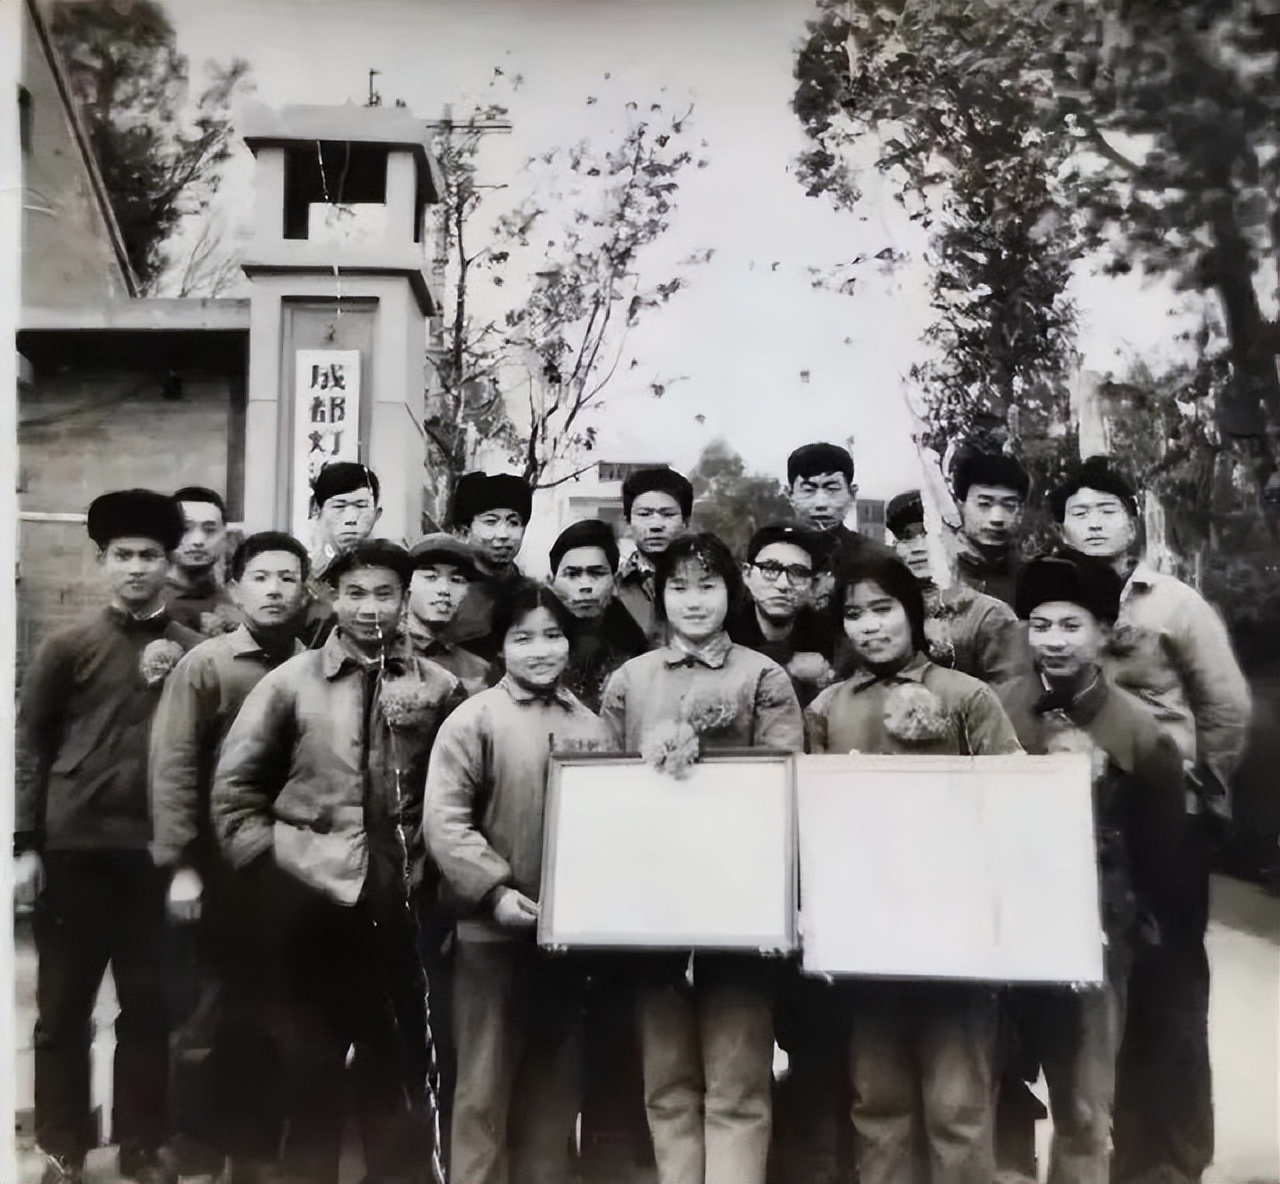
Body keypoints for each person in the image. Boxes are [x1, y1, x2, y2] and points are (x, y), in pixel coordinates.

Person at [212, 540, 466, 1184]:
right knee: (311, 1055)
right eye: (355, 593)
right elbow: (235, 791)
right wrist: (272, 868)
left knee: (397, 1057)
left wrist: (438, 879)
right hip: (311, 897)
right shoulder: (289, 684)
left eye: (385, 593)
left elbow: (466, 791)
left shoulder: (440, 688)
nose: (370, 607)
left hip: (402, 899)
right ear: (330, 596)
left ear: (405, 600)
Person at [1048, 456, 1253, 1184]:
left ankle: (1168, 1159)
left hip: (1163, 812)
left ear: (1131, 522)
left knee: (1169, 984)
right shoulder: (1053, 604)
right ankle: (1091, 1156)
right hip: (1081, 817)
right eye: (1080, 512)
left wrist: (1199, 788)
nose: (1094, 523)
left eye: (1108, 510)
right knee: (1092, 990)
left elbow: (1225, 707)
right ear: (1061, 526)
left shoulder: (1172, 603)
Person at [805, 552, 1022, 1184]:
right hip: (869, 935)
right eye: (853, 614)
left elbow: (1013, 808)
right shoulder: (827, 708)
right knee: (879, 1102)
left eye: (883, 609)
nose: (870, 627)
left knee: (959, 1106)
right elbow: (814, 828)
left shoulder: (966, 697)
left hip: (956, 933)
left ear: (912, 612)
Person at [599, 532, 804, 1184]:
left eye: (707, 586)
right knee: (666, 1082)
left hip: (737, 907)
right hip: (654, 905)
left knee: (738, 1085)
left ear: (730, 593)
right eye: (679, 587)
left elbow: (784, 784)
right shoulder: (630, 680)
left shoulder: (763, 677)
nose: (693, 601)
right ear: (659, 597)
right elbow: (602, 791)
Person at [16, 489, 202, 1184]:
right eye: (122, 555)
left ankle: (143, 1144)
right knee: (63, 1010)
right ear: (101, 562)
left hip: (153, 857)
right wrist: (26, 845)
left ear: (170, 563)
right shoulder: (67, 647)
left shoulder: (193, 651)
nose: (136, 568)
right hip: (74, 853)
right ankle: (62, 1146)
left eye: (150, 555)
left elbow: (205, 759)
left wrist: (189, 860)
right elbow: (30, 745)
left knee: (149, 1009)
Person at [997, 554, 1186, 1184]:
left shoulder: (1138, 731)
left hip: (1098, 943)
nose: (1053, 640)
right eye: (1041, 625)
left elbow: (1161, 856)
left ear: (1103, 631)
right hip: (1001, 937)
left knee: (1083, 1109)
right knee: (997, 1097)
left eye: (1071, 625)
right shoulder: (994, 712)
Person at [425, 580, 608, 1184]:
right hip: (489, 939)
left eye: (552, 636)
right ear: (501, 647)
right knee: (482, 1091)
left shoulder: (592, 726)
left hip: (567, 943)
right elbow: (445, 823)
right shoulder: (474, 720)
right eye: (523, 638)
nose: (540, 650)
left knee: (555, 1092)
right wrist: (496, 892)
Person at [149, 531, 311, 1182]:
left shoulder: (313, 666)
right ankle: (191, 1146)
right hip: (217, 868)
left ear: (307, 590)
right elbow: (174, 766)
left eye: (288, 578)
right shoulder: (208, 665)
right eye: (261, 577)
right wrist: (182, 866)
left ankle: (253, 1150)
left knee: (275, 1010)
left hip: (288, 864)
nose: (275, 590)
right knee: (209, 1013)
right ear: (236, 586)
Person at [885, 489, 1026, 690]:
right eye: (907, 537)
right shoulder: (888, 611)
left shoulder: (989, 616)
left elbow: (1011, 697)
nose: (918, 547)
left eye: (929, 533)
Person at [729, 521, 837, 707]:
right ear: (747, 575)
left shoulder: (831, 637)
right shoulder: (723, 633)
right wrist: (787, 669)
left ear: (812, 583)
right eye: (770, 569)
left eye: (798, 573)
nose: (783, 584)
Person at [548, 518, 648, 712]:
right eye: (572, 574)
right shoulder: (533, 644)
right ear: (553, 582)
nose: (585, 585)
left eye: (596, 573)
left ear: (615, 582)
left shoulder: (637, 655)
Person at [447, 471, 533, 662]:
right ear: (465, 530)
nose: (503, 534)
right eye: (491, 522)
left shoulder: (532, 596)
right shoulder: (448, 592)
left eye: (513, 522)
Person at [300, 461, 383, 647]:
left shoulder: (389, 573)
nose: (351, 519)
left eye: (361, 506)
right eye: (339, 506)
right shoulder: (299, 573)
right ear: (316, 509)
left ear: (377, 514)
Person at [404, 533, 492, 695]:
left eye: (457, 580)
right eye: (431, 577)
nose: (444, 590)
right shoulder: (382, 655)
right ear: (406, 584)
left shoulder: (479, 671)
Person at [615, 466, 694, 643]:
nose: (656, 525)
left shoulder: (710, 582)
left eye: (667, 514)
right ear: (628, 522)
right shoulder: (613, 587)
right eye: (644, 514)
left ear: (686, 522)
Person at [949, 448, 1031, 606]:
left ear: (1021, 511)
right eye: (984, 504)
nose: (997, 519)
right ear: (960, 505)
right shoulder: (938, 569)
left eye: (1009, 505)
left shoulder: (1034, 573)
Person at [166, 486, 236, 636]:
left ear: (225, 536)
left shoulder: (235, 600)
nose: (198, 541)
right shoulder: (148, 600)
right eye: (185, 529)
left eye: (210, 530)